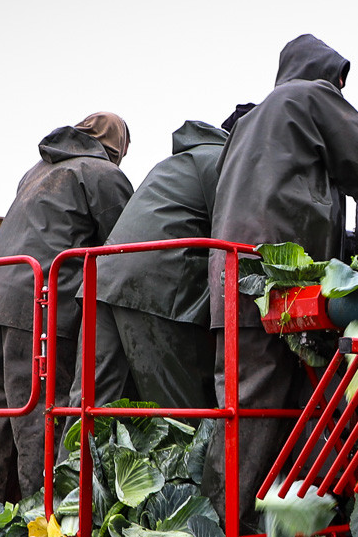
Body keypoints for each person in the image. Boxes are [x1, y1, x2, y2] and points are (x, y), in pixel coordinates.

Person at [208, 36, 358, 523]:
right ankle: (230, 534)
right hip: (276, 280)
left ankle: (250, 526)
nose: (340, 90)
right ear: (329, 73)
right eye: (340, 80)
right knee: (260, 412)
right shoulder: (310, 97)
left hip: (232, 278)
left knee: (247, 407)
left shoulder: (252, 119)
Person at [0, 112, 133, 504]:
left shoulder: (38, 170)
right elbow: (128, 245)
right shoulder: (101, 173)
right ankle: (45, 528)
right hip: (36, 307)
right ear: (117, 146)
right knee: (40, 420)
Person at [81, 105, 254, 410]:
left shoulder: (179, 161)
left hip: (102, 280)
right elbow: (243, 237)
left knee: (89, 407)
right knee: (177, 415)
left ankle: (75, 460)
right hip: (152, 288)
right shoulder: (224, 163)